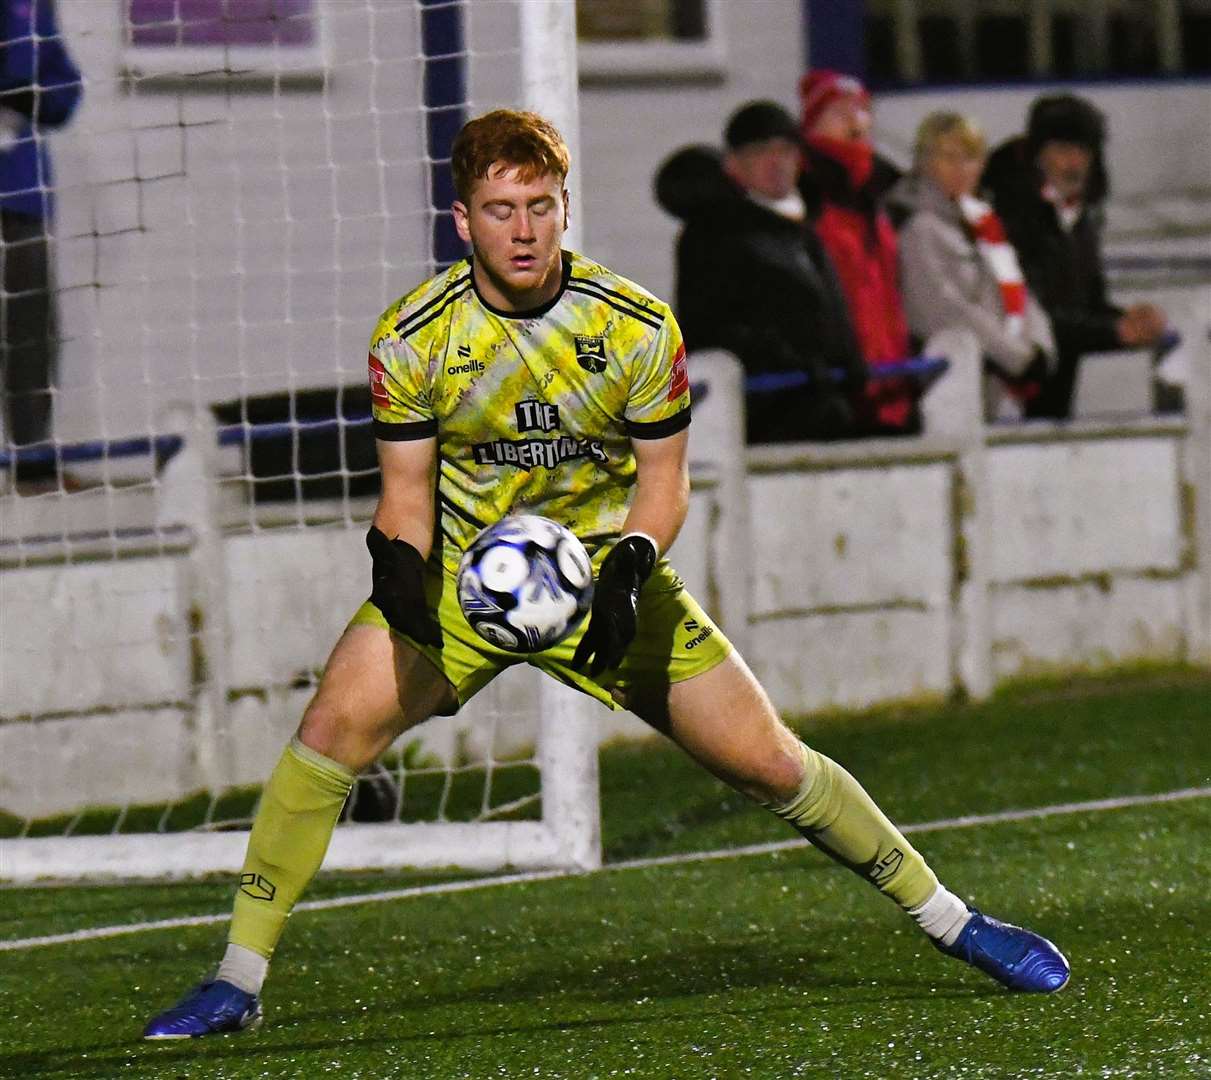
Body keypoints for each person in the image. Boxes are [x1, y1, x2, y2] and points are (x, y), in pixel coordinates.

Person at [142, 109, 1070, 1040]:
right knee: (328, 730)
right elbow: (405, 496)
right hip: (465, 579)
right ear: (462, 221)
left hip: (607, 576)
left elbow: (663, 488)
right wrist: (395, 572)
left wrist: (626, 573)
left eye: (540, 207)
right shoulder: (413, 336)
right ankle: (237, 980)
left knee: (770, 763)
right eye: (499, 210)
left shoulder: (631, 326)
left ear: (564, 208)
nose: (523, 230)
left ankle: (955, 921)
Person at [655, 100, 866, 442]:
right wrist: (792, 362)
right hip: (766, 416)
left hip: (825, 405)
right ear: (733, 164)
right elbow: (709, 324)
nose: (776, 162)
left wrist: (848, 361)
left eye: (786, 150)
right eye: (761, 151)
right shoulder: (714, 232)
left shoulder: (803, 228)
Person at [982, 93, 1167, 420]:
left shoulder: (1081, 217)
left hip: (1056, 384)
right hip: (1010, 385)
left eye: (1083, 151)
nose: (1074, 163)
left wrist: (1127, 321)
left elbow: (1086, 304)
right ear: (1039, 155)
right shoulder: (1012, 217)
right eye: (1063, 151)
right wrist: (1112, 331)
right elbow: (1028, 312)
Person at [885, 112, 1057, 424]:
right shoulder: (917, 227)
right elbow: (941, 307)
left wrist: (1041, 345)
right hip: (950, 388)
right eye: (948, 157)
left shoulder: (983, 224)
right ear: (924, 162)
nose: (961, 168)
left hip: (998, 386)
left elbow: (1015, 288)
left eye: (970, 158)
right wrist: (1016, 357)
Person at [798, 70, 917, 435]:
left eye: (862, 110)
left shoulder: (880, 196)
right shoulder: (808, 197)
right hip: (845, 384)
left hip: (893, 379)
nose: (856, 122)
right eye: (839, 112)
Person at [0, 0, 82, 493]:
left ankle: (32, 462)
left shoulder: (30, 5)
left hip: (19, 191)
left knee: (31, 332)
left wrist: (31, 94)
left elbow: (64, 85)